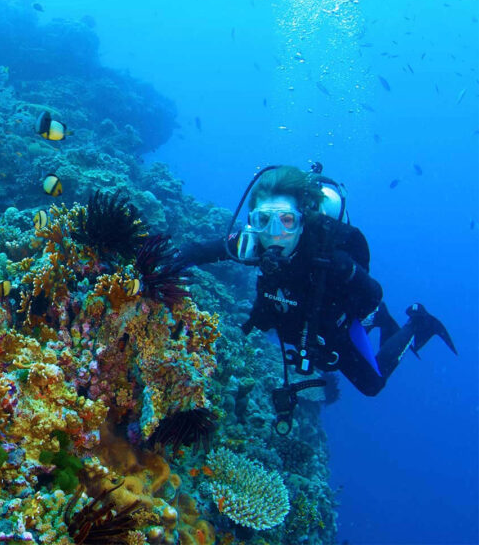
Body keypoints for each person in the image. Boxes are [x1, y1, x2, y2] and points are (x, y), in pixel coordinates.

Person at [180, 165, 454, 432]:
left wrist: (347, 271)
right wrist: (156, 266)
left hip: (337, 322)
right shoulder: (255, 241)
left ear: (302, 221)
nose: (275, 232)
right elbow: (196, 251)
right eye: (264, 219)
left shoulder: (328, 257)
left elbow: (373, 294)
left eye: (287, 220)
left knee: (372, 385)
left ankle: (417, 322)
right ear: (253, 221)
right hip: (298, 316)